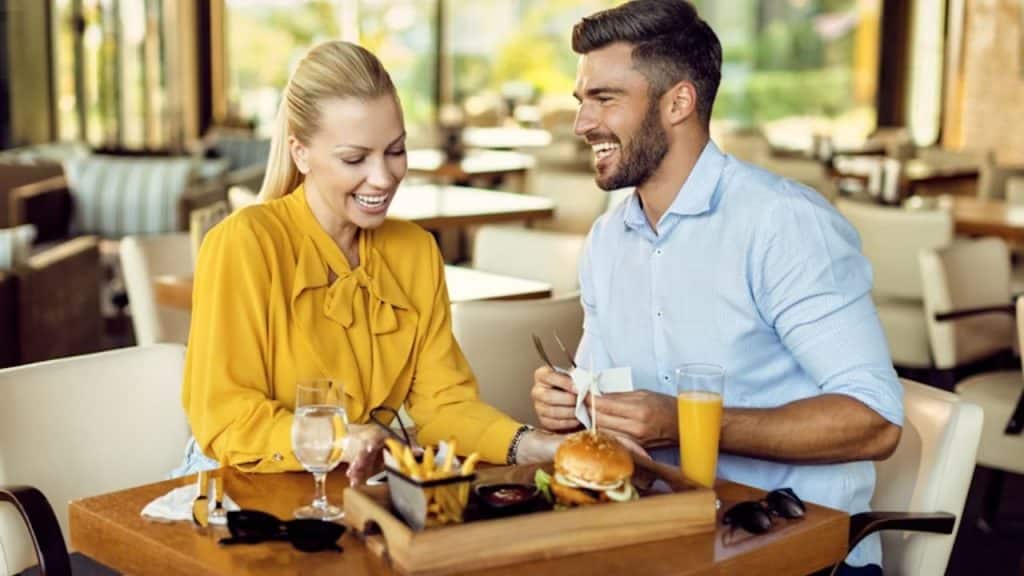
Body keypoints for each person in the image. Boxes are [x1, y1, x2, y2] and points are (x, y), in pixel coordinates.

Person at [530, 1, 901, 572]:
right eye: (582, 101)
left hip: (799, 549)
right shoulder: (607, 239)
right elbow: (602, 402)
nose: (582, 124)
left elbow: (874, 422)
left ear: (678, 101)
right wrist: (572, 407)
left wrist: (684, 421)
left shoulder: (781, 223)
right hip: (665, 539)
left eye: (605, 99)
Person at [179, 41, 560, 485]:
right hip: (240, 489)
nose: (382, 178)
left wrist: (535, 444)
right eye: (355, 158)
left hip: (345, 489)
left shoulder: (415, 250)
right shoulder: (244, 243)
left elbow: (444, 407)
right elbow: (226, 420)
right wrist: (344, 439)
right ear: (300, 152)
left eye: (395, 151)